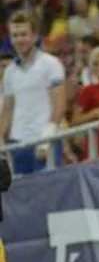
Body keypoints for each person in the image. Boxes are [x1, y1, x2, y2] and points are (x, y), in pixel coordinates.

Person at [0, 11, 66, 173]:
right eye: (15, 35)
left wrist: (47, 139)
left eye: (24, 34)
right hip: (17, 144)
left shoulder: (51, 63)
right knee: (20, 188)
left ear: (35, 36)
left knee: (48, 187)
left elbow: (59, 105)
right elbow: (7, 110)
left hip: (44, 139)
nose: (19, 40)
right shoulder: (9, 72)